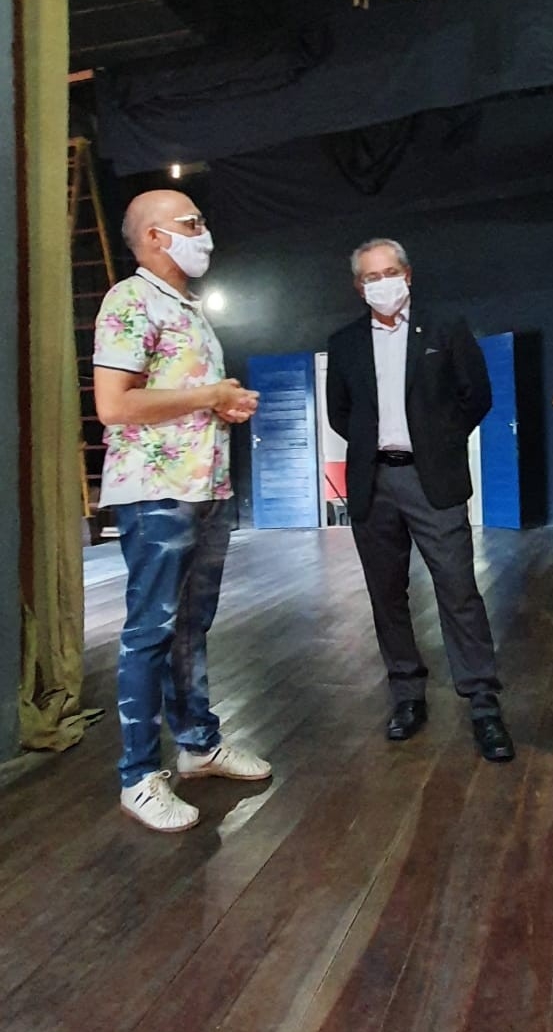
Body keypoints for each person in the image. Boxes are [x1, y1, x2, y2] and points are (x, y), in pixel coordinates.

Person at [94, 190, 271, 833]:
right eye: (191, 223)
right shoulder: (129, 300)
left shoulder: (188, 307)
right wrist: (209, 394)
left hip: (204, 489)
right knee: (151, 631)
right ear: (154, 237)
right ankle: (139, 777)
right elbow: (115, 404)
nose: (204, 233)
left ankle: (198, 744)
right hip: (156, 491)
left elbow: (180, 394)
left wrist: (221, 402)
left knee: (192, 626)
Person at [326, 238, 514, 762]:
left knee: (458, 590)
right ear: (359, 286)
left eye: (390, 272)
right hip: (374, 483)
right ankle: (407, 695)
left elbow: (477, 395)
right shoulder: (344, 343)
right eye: (371, 277)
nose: (382, 283)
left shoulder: (445, 327)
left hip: (432, 479)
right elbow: (340, 412)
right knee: (387, 596)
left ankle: (483, 702)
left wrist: (439, 441)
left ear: (407, 275)